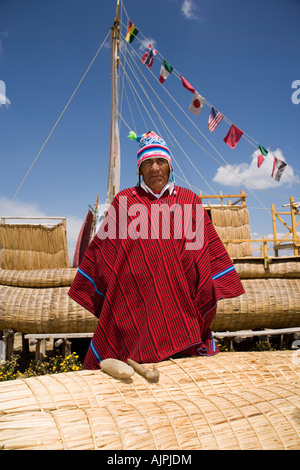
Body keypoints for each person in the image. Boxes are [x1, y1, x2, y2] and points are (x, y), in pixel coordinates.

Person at [68, 131, 244, 369]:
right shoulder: (125, 201)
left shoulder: (188, 200)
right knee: (134, 389)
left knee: (182, 379)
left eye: (160, 161)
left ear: (170, 166)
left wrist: (191, 278)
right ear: (140, 169)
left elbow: (202, 252)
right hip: (132, 307)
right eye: (148, 163)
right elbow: (105, 254)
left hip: (180, 305)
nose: (155, 168)